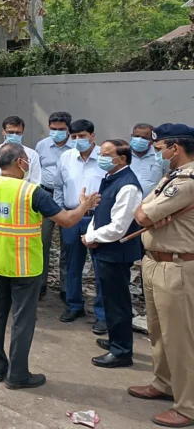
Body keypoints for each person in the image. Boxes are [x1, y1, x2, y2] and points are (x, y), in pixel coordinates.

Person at [0, 143, 100, 390]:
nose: (28, 163)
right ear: (20, 162)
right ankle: (17, 375)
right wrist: (85, 206)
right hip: (25, 266)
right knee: (23, 321)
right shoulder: (32, 192)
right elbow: (67, 220)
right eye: (26, 159)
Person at [127, 124, 194, 428]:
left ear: (175, 148)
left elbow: (141, 215)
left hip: (177, 266)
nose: (157, 154)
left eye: (159, 149)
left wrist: (150, 213)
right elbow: (143, 209)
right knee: (158, 332)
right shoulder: (172, 177)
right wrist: (151, 213)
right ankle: (163, 383)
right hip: (155, 261)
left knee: (179, 338)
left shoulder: (186, 182)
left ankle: (187, 406)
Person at [82, 140, 143, 369]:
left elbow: (119, 227)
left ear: (122, 159)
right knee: (109, 297)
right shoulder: (110, 178)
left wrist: (92, 237)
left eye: (107, 155)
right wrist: (92, 234)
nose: (101, 157)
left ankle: (122, 352)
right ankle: (116, 339)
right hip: (104, 248)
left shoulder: (128, 186)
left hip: (116, 251)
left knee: (117, 301)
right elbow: (100, 213)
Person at [53, 118, 107, 333]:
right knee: (72, 264)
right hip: (71, 216)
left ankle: (102, 314)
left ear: (92, 136)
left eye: (82, 136)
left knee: (100, 266)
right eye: (74, 136)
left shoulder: (105, 157)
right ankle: (74, 305)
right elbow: (58, 186)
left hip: (97, 218)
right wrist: (60, 212)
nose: (78, 140)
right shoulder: (66, 157)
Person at [35, 111, 73, 301]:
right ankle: (40, 284)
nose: (56, 132)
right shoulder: (42, 145)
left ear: (68, 129)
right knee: (42, 242)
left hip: (69, 199)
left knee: (68, 245)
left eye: (61, 129)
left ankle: (66, 288)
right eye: (53, 129)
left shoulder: (76, 146)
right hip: (46, 196)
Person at [0, 116, 42, 185]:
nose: (14, 135)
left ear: (22, 132)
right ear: (3, 131)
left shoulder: (32, 154)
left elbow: (35, 182)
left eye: (18, 132)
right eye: (10, 132)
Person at [129, 123, 166, 198]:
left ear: (152, 140)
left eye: (144, 138)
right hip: (125, 202)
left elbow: (167, 178)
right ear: (132, 136)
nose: (139, 140)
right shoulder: (122, 156)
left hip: (151, 202)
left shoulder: (160, 157)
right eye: (136, 136)